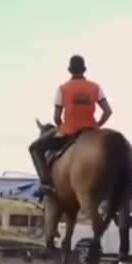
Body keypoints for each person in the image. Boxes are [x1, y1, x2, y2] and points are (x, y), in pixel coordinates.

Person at [29, 55, 112, 195]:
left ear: (70, 70)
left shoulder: (62, 89)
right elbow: (108, 111)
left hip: (69, 131)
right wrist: (97, 125)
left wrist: (63, 128)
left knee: (34, 148)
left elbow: (56, 117)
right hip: (91, 130)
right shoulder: (95, 87)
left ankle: (46, 184)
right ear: (84, 69)